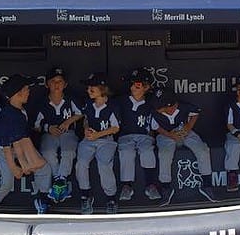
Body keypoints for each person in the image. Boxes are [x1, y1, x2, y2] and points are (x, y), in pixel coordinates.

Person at [0, 74, 52, 214]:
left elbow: (20, 139)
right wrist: (15, 167)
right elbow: (6, 146)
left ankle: (42, 199)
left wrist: (25, 161)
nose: (29, 92)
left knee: (44, 169)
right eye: (26, 89)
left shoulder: (21, 110)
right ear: (17, 93)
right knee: (7, 182)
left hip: (19, 146)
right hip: (4, 151)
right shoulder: (8, 115)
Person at [152, 87, 217, 205]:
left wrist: (188, 127)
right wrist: (170, 135)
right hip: (166, 134)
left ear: (172, 105)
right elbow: (156, 127)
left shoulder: (183, 107)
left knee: (203, 150)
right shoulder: (155, 112)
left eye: (162, 106)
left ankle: (207, 185)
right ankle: (166, 188)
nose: (159, 109)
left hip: (184, 131)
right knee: (164, 154)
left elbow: (195, 113)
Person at [33, 67, 82, 203]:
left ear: (65, 84)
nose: (57, 84)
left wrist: (67, 122)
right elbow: (36, 125)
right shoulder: (42, 102)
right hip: (50, 134)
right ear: (47, 84)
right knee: (48, 151)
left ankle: (61, 179)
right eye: (53, 81)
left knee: (68, 151)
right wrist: (49, 128)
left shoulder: (70, 99)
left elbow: (80, 113)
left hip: (68, 133)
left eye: (60, 81)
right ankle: (58, 180)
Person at [76, 73, 121, 214]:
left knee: (104, 164)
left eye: (92, 87)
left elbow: (115, 128)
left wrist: (98, 135)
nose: (89, 90)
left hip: (106, 140)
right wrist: (85, 130)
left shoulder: (112, 104)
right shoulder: (88, 103)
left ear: (102, 89)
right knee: (81, 163)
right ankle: (85, 195)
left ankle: (111, 198)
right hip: (89, 140)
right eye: (88, 87)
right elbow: (86, 119)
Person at [115, 68, 161, 202]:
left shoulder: (151, 102)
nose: (132, 87)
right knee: (127, 152)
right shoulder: (121, 100)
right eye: (132, 84)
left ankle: (150, 185)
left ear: (146, 87)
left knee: (147, 151)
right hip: (125, 135)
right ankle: (127, 186)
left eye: (137, 85)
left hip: (144, 136)